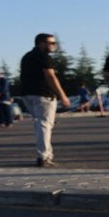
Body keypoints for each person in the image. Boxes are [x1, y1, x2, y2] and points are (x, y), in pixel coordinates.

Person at [20, 33, 71, 167]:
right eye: (51, 43)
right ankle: (43, 156)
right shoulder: (44, 57)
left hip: (27, 94)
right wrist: (63, 95)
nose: (54, 46)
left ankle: (46, 154)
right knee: (45, 125)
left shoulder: (27, 56)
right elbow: (51, 76)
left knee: (39, 125)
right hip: (43, 94)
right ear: (41, 43)